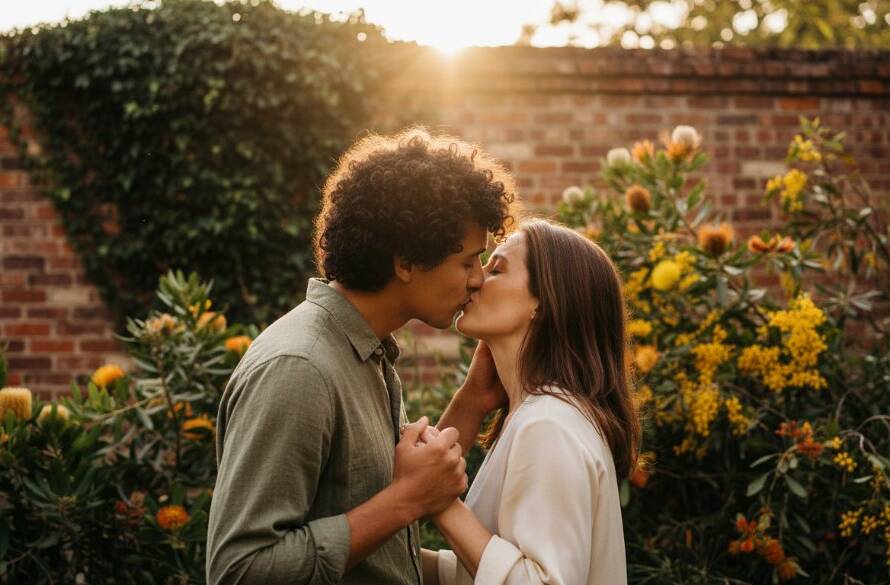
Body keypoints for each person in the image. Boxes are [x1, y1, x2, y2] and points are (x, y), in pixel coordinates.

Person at [205, 127, 518, 585]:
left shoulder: (365, 353)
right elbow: (240, 570)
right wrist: (406, 500)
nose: (478, 280)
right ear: (406, 262)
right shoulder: (299, 368)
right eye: (467, 261)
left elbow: (373, 537)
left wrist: (471, 402)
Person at [421, 219, 641, 585]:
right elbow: (491, 566)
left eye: (497, 269)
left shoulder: (549, 425)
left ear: (542, 301)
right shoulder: (539, 416)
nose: (475, 279)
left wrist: (442, 503)